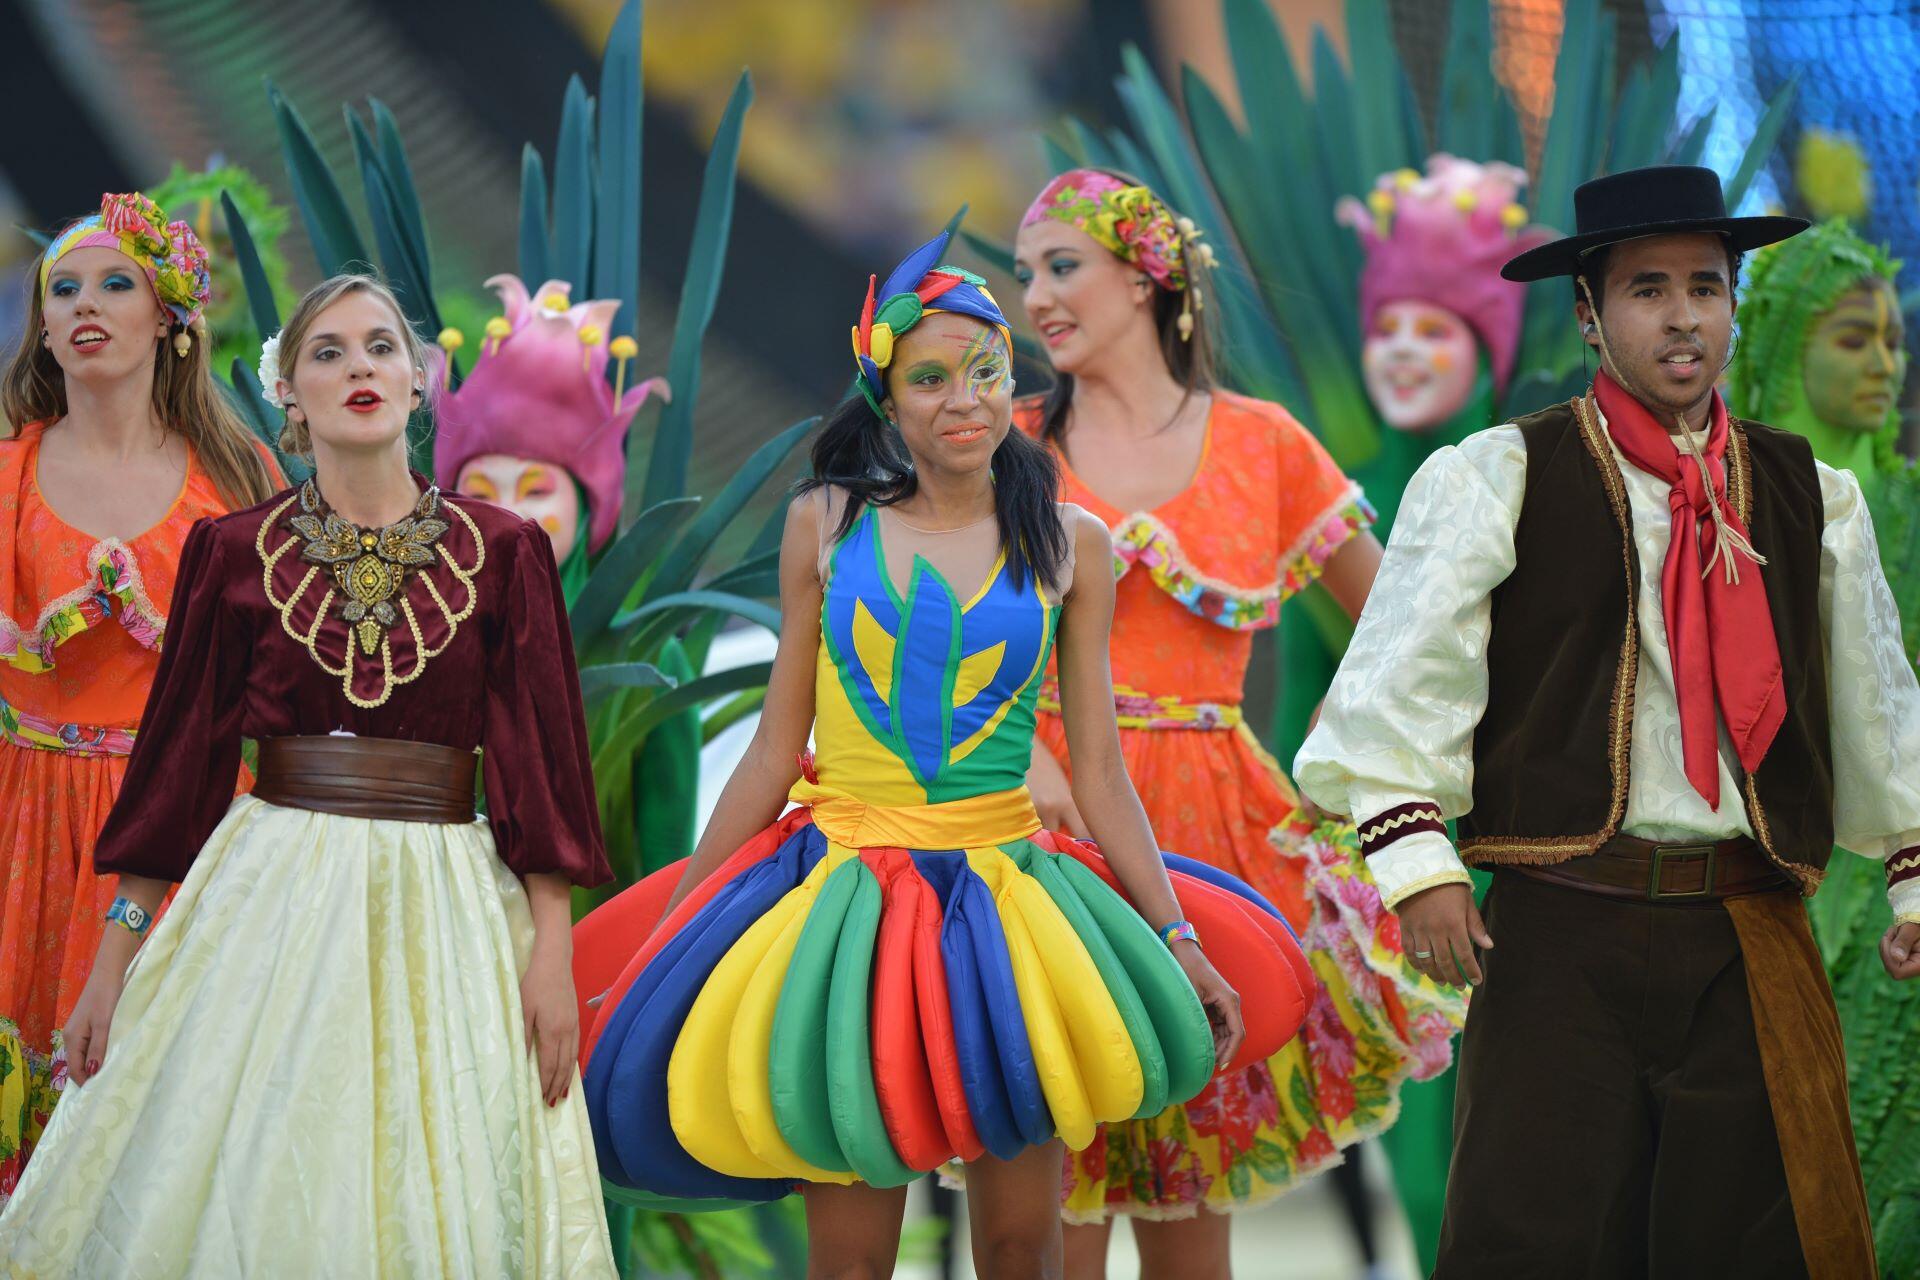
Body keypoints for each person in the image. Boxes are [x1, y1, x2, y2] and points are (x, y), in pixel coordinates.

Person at [579, 229, 1284, 1280]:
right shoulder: (823, 524)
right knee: (854, 1256)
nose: (966, 398)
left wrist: (1176, 936)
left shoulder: (1073, 542)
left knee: (1020, 1243)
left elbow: (1097, 774)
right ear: (888, 399)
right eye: (932, 378)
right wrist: (685, 922)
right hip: (843, 912)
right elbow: (778, 747)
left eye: (988, 371)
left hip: (1007, 909)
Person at [1296, 164, 1920, 1277]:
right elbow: (1400, 678)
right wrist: (1419, 857)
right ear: (1590, 313)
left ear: (1732, 301)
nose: (1682, 314)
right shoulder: (1497, 476)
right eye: (1646, 288)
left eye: (1704, 285)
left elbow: (1880, 702)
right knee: (1534, 1236)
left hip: (1747, 928)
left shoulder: (1810, 493)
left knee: (1758, 1242)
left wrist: (1914, 871)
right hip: (1561, 929)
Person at [0, 273, 618, 1276]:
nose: (358, 367)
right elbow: (176, 781)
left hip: (450, 907)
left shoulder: (506, 553)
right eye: (326, 352)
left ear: (418, 384)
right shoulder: (230, 552)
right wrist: (114, 957)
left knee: (440, 1170)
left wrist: (552, 952)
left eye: (380, 347)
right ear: (289, 396)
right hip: (269, 894)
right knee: (253, 1168)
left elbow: (537, 773)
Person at [1009, 167, 1462, 1278]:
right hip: (1044, 831)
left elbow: (1405, 628)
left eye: (1061, 266)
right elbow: (931, 631)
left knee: (1185, 1190)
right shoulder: (1013, 443)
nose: (1037, 298)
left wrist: (1358, 781)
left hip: (1215, 833)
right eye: (1025, 276)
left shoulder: (1263, 441)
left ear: (1146, 273)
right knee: (1046, 1190)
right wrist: (1018, 749)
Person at [0, 192, 280, 1205]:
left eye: (116, 283)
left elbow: (286, 656)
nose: (84, 303)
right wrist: (38, 634)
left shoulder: (235, 474)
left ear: (168, 316)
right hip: (23, 810)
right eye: (61, 287)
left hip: (183, 816)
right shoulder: (9, 470)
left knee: (152, 1118)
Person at [1727, 218, 1920, 1270]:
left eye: (1894, 338)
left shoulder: (1911, 507)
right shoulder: (1715, 503)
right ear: (1785, 340)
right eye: (1854, 338)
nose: (1886, 363)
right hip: (1760, 871)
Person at [434, 274, 666, 601]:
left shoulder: (649, 649)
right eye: (479, 496)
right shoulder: (420, 636)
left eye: (537, 490)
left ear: (586, 510)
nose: (507, 513)